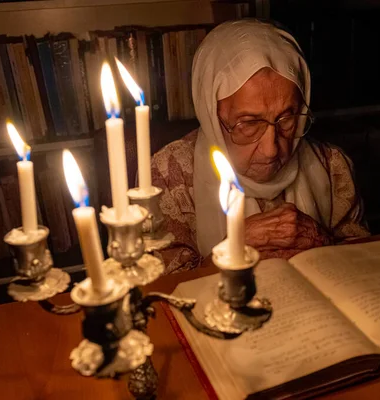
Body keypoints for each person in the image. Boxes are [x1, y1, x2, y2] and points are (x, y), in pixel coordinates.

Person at [151, 19, 369, 273]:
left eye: (286, 119)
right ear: (210, 113)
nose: (272, 150)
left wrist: (321, 241)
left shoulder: (332, 167)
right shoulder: (170, 175)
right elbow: (162, 295)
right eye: (249, 123)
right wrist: (233, 247)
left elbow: (365, 267)